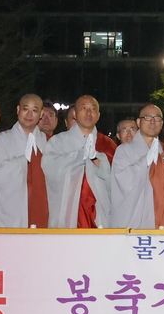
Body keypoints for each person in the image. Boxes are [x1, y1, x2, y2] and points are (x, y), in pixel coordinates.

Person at [108, 104, 164, 228]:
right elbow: (121, 181)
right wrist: (145, 162)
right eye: (147, 117)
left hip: (163, 218)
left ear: (162, 123)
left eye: (157, 118)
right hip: (134, 220)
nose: (152, 121)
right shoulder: (124, 150)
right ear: (138, 122)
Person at [42, 96, 116, 228]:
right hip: (69, 210)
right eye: (84, 108)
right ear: (75, 114)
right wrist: (80, 155)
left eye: (93, 109)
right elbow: (50, 170)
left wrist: (100, 163)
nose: (89, 113)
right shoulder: (58, 142)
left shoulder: (107, 144)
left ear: (98, 115)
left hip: (98, 211)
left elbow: (116, 180)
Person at [0, 94, 49, 228]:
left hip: (41, 207)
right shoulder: (2, 140)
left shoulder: (47, 142)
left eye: (34, 110)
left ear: (41, 114)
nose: (29, 114)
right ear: (18, 110)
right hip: (12, 212)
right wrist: (23, 162)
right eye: (25, 109)